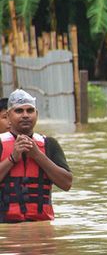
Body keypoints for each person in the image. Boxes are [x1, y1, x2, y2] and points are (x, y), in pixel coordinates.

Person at [0, 89, 73, 223]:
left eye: (30, 110)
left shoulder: (49, 144)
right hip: (5, 228)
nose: (25, 115)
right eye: (19, 111)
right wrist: (12, 159)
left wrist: (38, 155)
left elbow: (67, 184)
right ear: (8, 116)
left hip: (41, 226)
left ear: (36, 115)